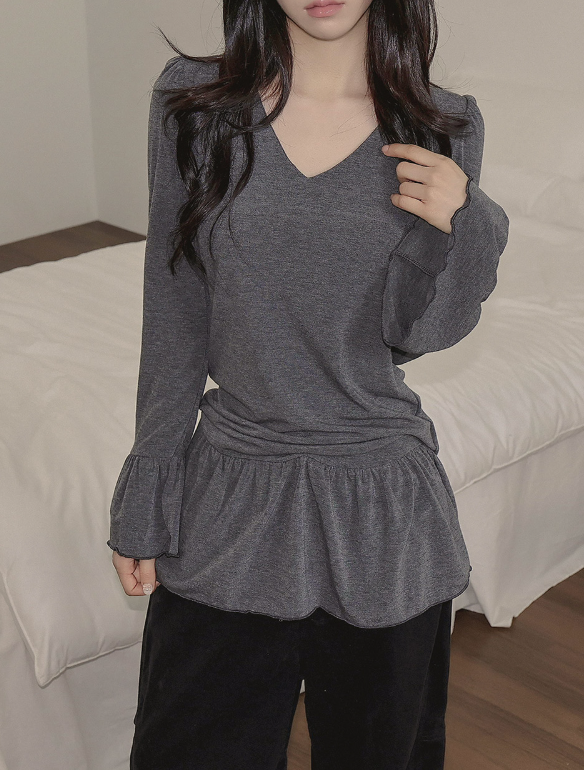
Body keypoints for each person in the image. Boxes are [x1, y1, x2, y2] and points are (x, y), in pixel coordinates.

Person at [108, 0, 510, 767]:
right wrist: (150, 482)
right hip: (232, 491)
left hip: (381, 507)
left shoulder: (443, 124)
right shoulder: (194, 102)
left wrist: (467, 222)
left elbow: (414, 333)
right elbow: (176, 307)